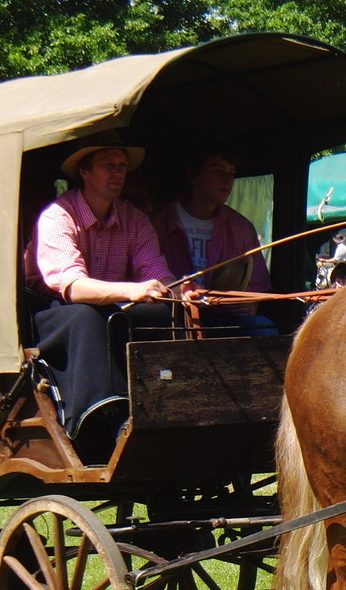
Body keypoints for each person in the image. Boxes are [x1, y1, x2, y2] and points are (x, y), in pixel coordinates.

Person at [25, 134, 179, 458]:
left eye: (122, 166)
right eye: (109, 165)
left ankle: (165, 405)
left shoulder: (134, 219)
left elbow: (156, 271)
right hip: (49, 314)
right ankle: (102, 414)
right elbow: (73, 288)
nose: (118, 172)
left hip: (111, 309)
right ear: (85, 172)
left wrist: (180, 292)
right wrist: (134, 290)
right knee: (85, 316)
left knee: (163, 314)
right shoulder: (57, 216)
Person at [149, 144, 277, 336]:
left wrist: (250, 305)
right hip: (169, 316)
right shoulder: (156, 222)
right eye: (218, 171)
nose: (228, 180)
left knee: (263, 328)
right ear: (193, 176)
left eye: (232, 173)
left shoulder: (241, 227)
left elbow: (256, 285)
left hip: (222, 318)